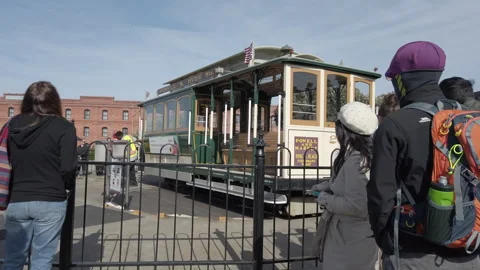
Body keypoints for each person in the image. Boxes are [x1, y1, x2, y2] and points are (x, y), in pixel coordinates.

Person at [367, 41, 480, 269]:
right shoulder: (465, 116)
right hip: (469, 246)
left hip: (415, 253)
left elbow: (381, 195)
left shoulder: (394, 125)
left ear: (402, 79)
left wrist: (385, 241)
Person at [4, 81, 77, 269]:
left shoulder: (12, 125)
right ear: (54, 101)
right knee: (42, 259)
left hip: (17, 198)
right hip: (51, 198)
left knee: (13, 258)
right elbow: (68, 167)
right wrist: (67, 187)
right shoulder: (64, 127)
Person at [310, 101, 379, 270]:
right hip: (347, 236)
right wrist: (327, 186)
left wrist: (324, 198)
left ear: (345, 131)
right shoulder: (357, 156)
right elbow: (347, 184)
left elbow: (357, 206)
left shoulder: (357, 162)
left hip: (350, 239)